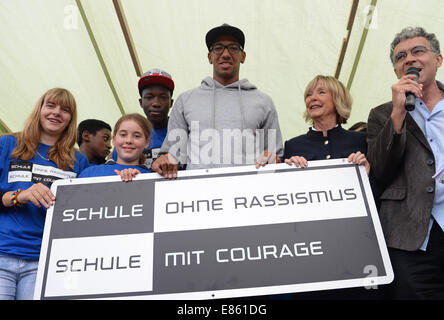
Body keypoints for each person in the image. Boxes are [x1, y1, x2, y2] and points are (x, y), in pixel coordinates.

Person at [367, 27, 444, 299]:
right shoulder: (381, 114)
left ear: (438, 60)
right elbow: (379, 169)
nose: (409, 59)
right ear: (397, 71)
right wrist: (397, 113)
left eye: (418, 51)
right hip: (410, 236)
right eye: (401, 56)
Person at [152, 24, 283, 178]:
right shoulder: (186, 100)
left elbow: (276, 156)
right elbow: (174, 155)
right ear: (210, 57)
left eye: (233, 48)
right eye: (218, 48)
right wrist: (164, 159)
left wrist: (273, 157)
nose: (226, 54)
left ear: (243, 56)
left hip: (249, 194)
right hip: (200, 194)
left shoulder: (264, 102)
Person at [0, 88, 89, 300]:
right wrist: (18, 196)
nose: (57, 112)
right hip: (2, 253)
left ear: (70, 119)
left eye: (65, 110)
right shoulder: (8, 144)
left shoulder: (79, 161)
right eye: (50, 105)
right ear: (39, 109)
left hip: (45, 261)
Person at [283, 75, 369, 174]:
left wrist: (367, 172)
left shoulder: (361, 141)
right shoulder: (293, 146)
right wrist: (290, 173)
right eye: (309, 94)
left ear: (337, 99)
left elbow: (379, 186)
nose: (313, 98)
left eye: (321, 92)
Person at [112, 69, 174, 170]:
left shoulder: (182, 132)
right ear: (141, 102)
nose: (156, 103)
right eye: (149, 97)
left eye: (163, 97)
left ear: (171, 103)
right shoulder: (127, 138)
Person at [79, 113, 151, 181]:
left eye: (136, 136)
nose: (129, 141)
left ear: (147, 142)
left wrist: (141, 180)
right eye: (123, 135)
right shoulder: (89, 173)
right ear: (114, 139)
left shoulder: (153, 177)